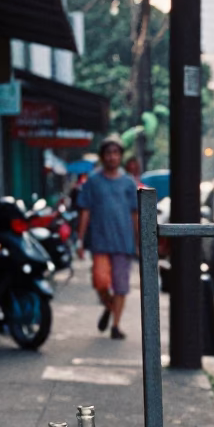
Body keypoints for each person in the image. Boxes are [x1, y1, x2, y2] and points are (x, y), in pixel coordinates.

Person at [76, 136, 139, 340]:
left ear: (120, 156)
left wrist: (139, 241)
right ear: (103, 156)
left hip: (123, 242)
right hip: (100, 242)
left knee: (121, 286)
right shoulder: (93, 182)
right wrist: (79, 240)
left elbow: (135, 214)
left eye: (116, 153)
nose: (112, 157)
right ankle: (109, 306)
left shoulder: (129, 183)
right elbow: (85, 211)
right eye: (108, 153)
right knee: (100, 283)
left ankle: (116, 325)